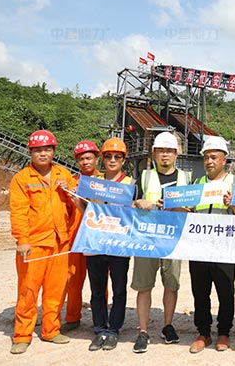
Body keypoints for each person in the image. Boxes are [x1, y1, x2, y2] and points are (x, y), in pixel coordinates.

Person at [9, 130, 78, 354]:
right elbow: (18, 212)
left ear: (53, 151)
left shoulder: (63, 174)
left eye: (47, 149)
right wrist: (22, 240)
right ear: (31, 152)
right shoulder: (22, 179)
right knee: (28, 290)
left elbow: (75, 206)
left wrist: (68, 192)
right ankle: (22, 335)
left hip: (60, 242)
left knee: (56, 290)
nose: (43, 154)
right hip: (34, 244)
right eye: (38, 150)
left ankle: (51, 330)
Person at [131, 131, 191, 353]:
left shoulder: (187, 178)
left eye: (169, 151)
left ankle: (168, 325)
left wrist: (180, 207)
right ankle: (143, 331)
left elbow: (192, 209)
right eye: (161, 151)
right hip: (147, 239)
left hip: (173, 239)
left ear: (176, 153)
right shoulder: (144, 176)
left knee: (171, 284)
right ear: (154, 153)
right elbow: (131, 203)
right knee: (144, 286)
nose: (165, 154)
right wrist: (139, 202)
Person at [188, 136, 235, 354]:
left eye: (214, 157)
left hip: (224, 248)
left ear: (224, 160)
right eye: (206, 158)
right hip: (199, 247)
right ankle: (203, 333)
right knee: (200, 292)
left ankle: (223, 333)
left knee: (226, 292)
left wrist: (234, 204)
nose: (209, 161)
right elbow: (188, 211)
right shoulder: (196, 184)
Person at [85, 137, 133, 351]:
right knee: (97, 290)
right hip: (95, 243)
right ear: (102, 159)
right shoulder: (93, 182)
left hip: (119, 244)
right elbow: (84, 210)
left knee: (119, 289)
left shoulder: (130, 184)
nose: (112, 160)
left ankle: (113, 330)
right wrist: (77, 200)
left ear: (123, 160)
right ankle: (99, 329)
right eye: (108, 156)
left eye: (117, 156)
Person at [62, 140, 102, 333]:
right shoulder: (72, 182)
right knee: (73, 280)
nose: (85, 162)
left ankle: (99, 318)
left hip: (97, 238)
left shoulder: (105, 182)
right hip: (76, 238)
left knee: (99, 282)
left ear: (96, 159)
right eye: (81, 159)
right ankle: (72, 317)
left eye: (88, 158)